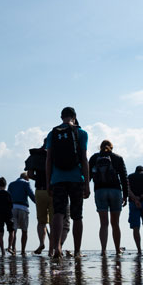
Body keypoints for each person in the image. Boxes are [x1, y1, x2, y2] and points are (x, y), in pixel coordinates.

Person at [45, 107, 90, 258]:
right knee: (77, 216)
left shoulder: (52, 133)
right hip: (76, 179)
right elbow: (84, 159)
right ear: (74, 117)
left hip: (58, 179)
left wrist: (48, 182)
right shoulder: (81, 133)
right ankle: (77, 251)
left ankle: (56, 247)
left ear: (61, 117)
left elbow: (48, 160)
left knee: (58, 213)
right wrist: (87, 184)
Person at [89, 139, 129, 256]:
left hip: (100, 191)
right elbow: (124, 178)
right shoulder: (118, 158)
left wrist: (85, 189)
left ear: (100, 147)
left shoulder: (94, 158)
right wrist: (125, 195)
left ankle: (103, 250)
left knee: (103, 224)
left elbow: (88, 175)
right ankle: (117, 250)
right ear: (112, 147)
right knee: (115, 223)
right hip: (115, 191)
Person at [7, 171, 34, 255]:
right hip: (23, 208)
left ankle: (13, 249)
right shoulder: (26, 183)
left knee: (13, 230)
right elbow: (31, 195)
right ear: (26, 178)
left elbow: (8, 197)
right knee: (24, 230)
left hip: (13, 208)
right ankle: (23, 251)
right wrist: (38, 203)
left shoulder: (11, 184)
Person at [0, 177, 14, 255]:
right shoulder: (8, 194)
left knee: (0, 233)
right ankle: (9, 247)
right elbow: (11, 205)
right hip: (8, 214)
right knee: (11, 231)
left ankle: (2, 251)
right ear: (5, 184)